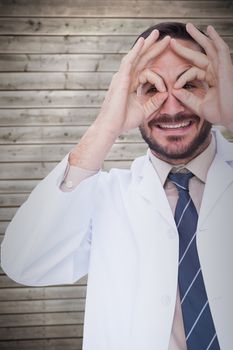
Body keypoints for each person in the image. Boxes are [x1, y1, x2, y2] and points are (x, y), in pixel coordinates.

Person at [1, 22, 233, 350]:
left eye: (189, 84)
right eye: (152, 88)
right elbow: (24, 262)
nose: (171, 107)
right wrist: (104, 128)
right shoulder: (104, 197)